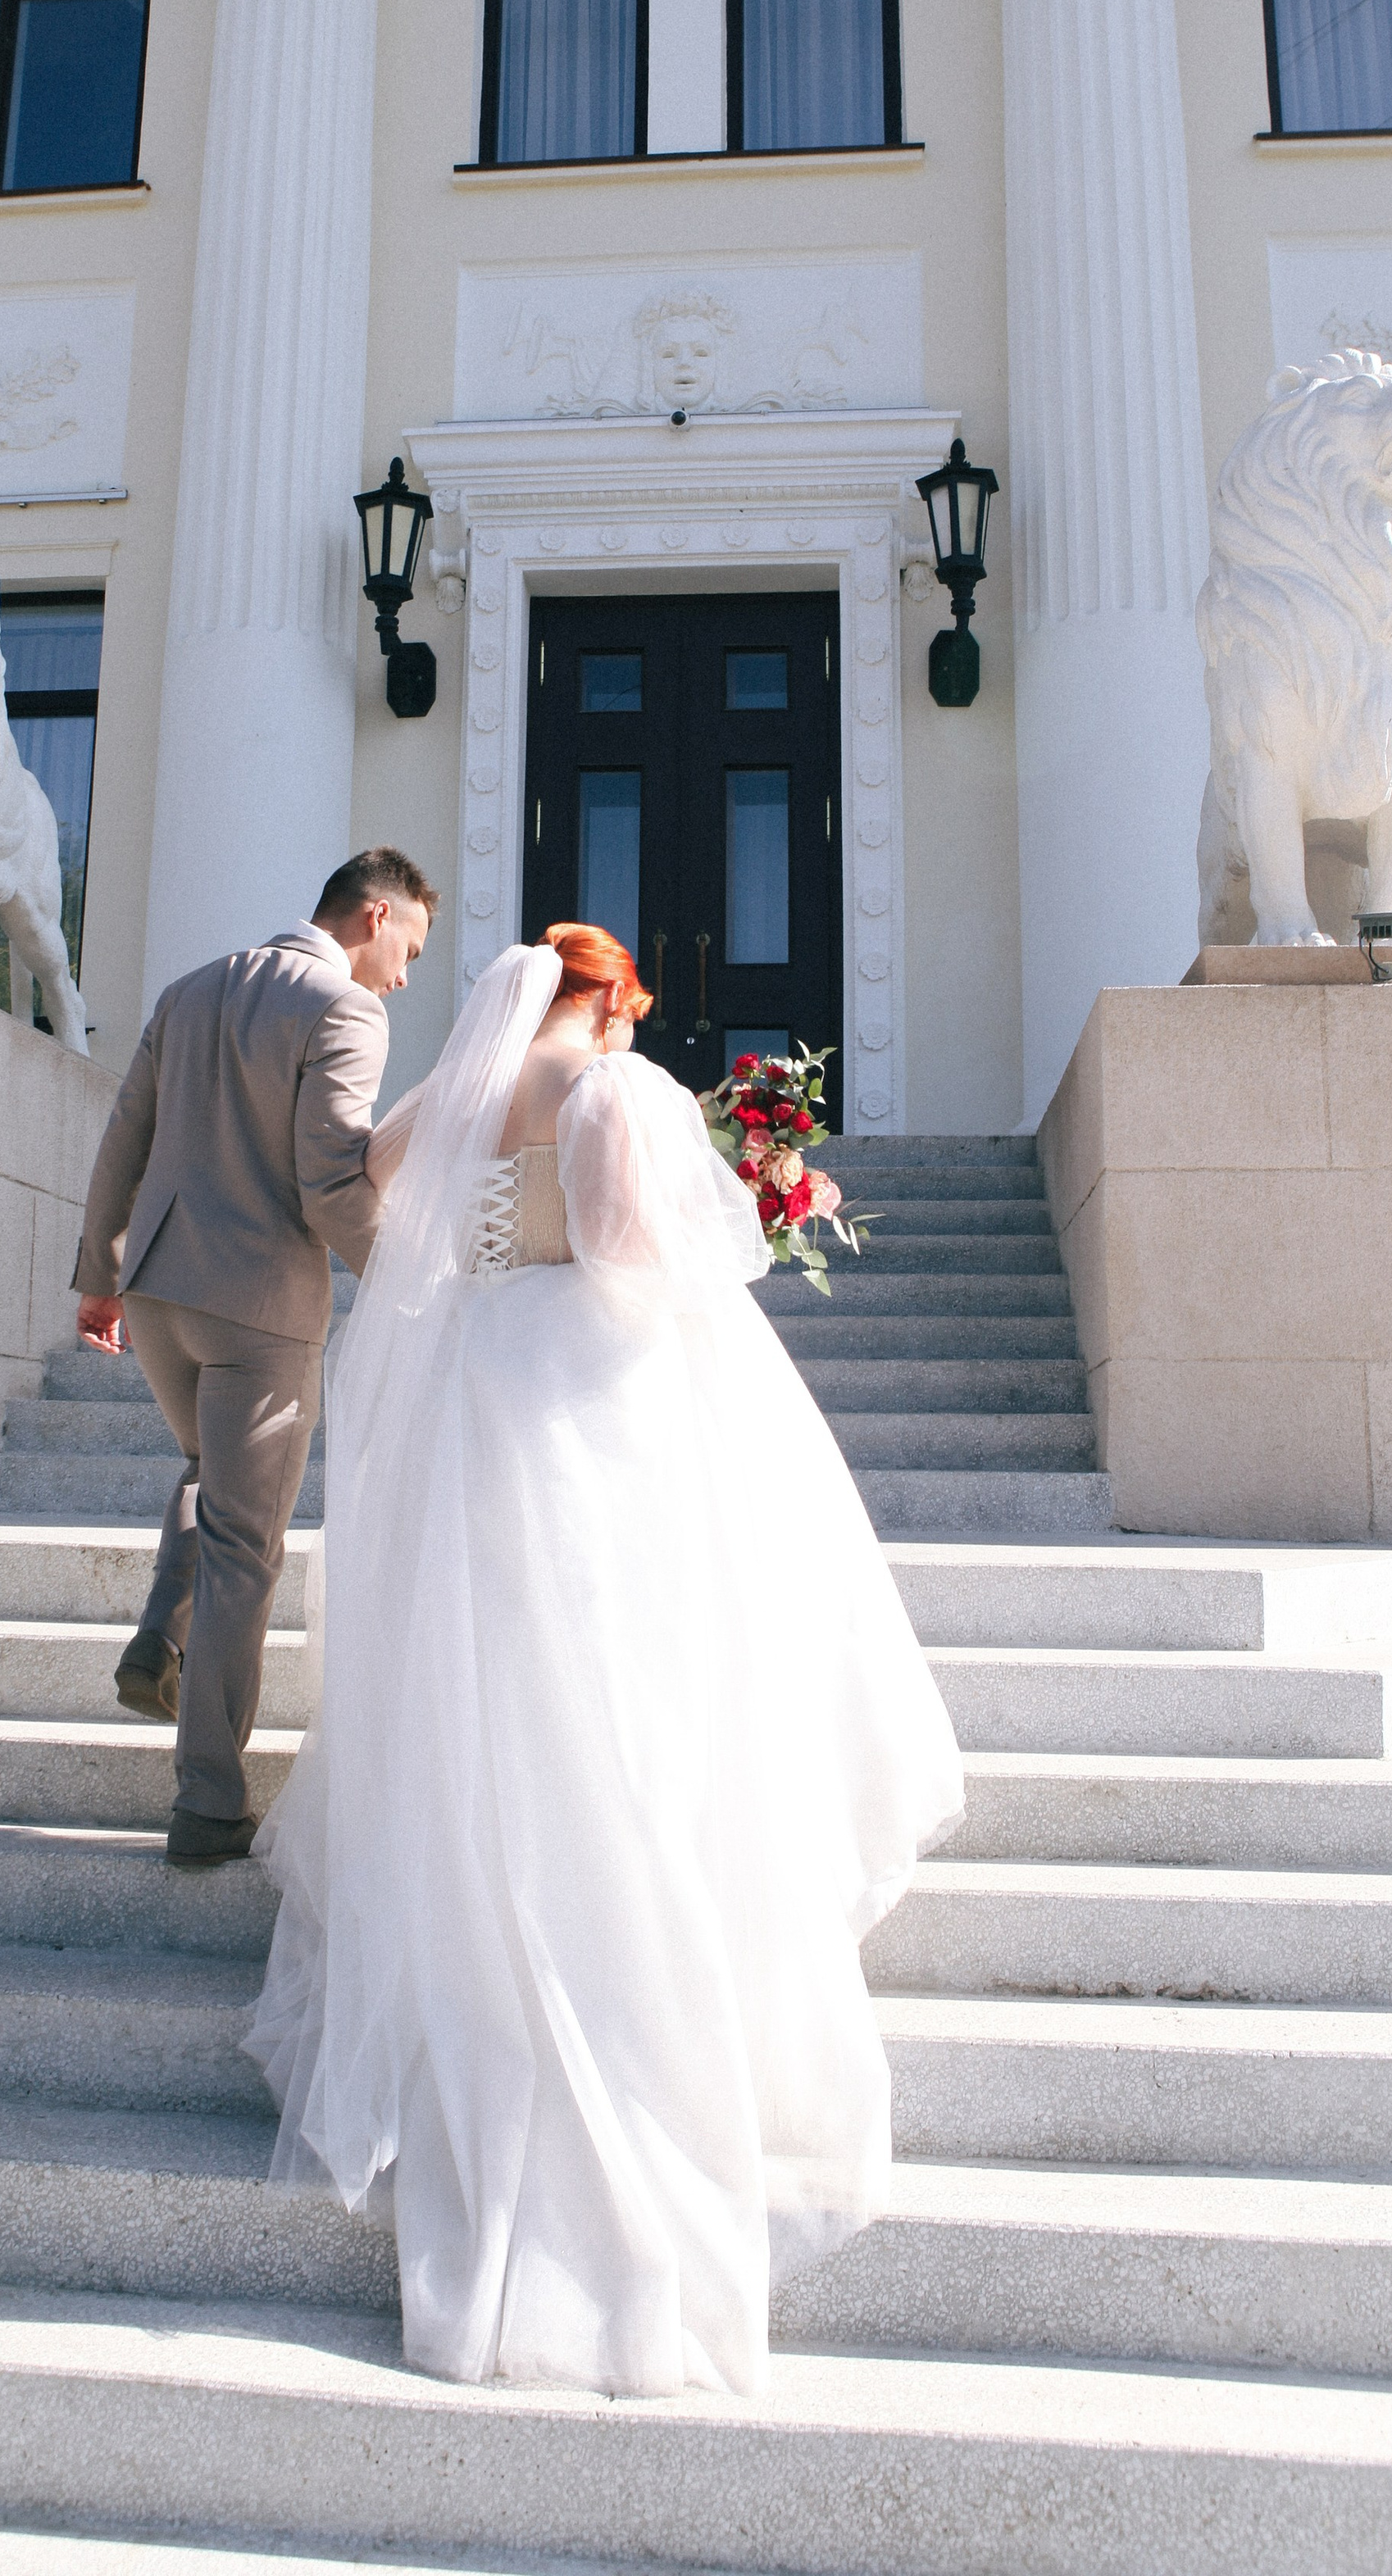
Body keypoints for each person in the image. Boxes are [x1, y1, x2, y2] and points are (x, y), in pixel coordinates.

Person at [245, 923, 966, 2394]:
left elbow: (375, 1179)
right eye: (628, 1008)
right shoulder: (617, 1093)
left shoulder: (464, 1089)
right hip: (590, 1388)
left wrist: (484, 1193)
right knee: (628, 1683)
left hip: (480, 1387)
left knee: (502, 1690)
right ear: (613, 1001)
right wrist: (750, 1207)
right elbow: (634, 1247)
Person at [71, 847, 436, 1867]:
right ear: (374, 915)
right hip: (259, 1305)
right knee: (246, 1543)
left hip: (158, 1289)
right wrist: (412, 1281)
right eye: (409, 946)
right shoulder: (348, 1011)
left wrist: (98, 1273)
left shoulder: (191, 988)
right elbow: (329, 1185)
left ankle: (162, 1636)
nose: (404, 974)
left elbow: (124, 1136)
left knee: (207, 1475)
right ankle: (208, 1801)